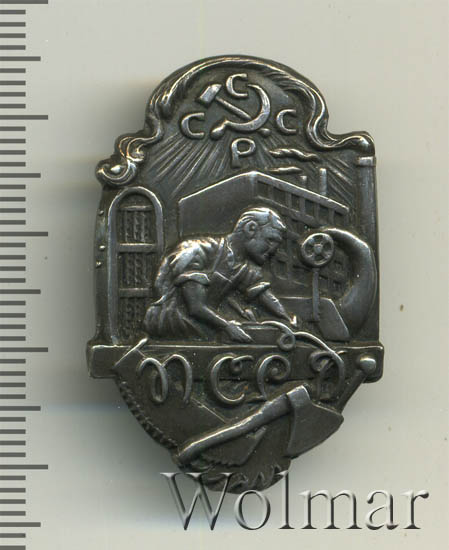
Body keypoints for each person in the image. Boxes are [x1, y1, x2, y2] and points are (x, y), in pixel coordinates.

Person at [143, 207, 293, 342]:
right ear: (251, 228)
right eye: (270, 240)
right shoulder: (196, 251)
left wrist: (288, 320)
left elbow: (263, 294)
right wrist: (227, 326)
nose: (274, 250)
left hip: (203, 329)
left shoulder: (243, 266)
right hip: (171, 326)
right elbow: (195, 306)